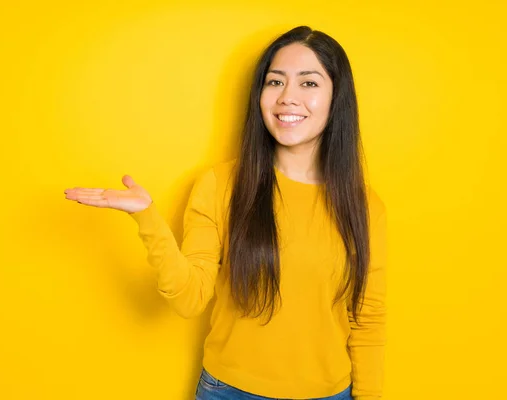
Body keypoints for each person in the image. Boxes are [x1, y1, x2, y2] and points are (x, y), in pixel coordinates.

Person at [64, 25, 387, 400]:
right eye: (275, 82)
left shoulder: (364, 205)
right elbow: (189, 299)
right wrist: (147, 218)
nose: (288, 98)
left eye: (309, 83)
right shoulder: (220, 184)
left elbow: (368, 319)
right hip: (229, 391)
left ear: (337, 98)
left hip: (329, 394)